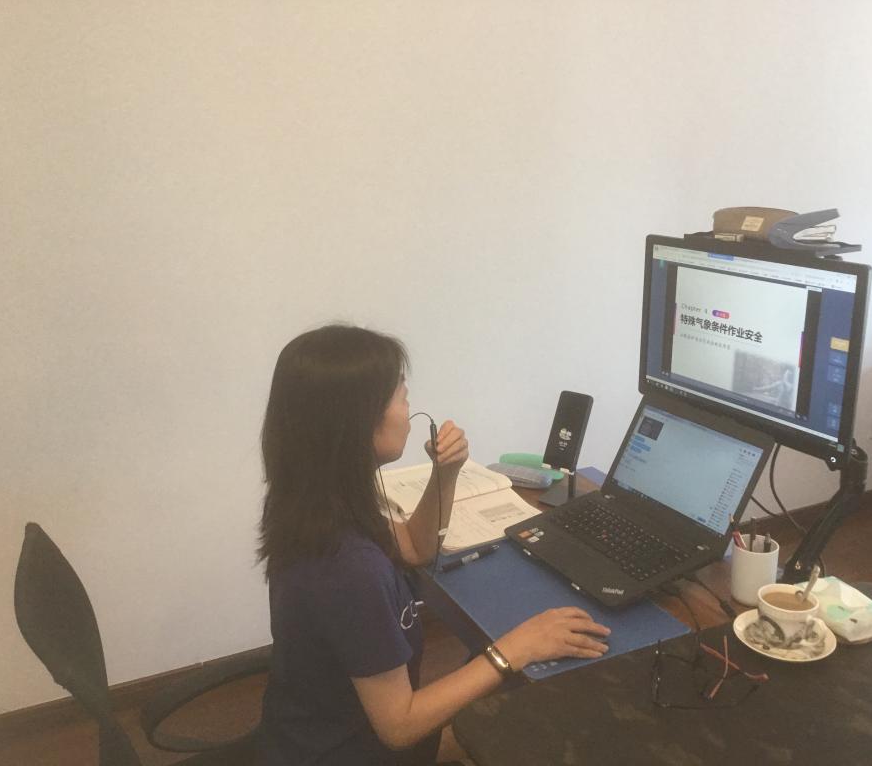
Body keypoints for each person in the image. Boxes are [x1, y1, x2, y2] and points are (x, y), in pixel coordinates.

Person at [256, 324, 610, 765]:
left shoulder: (316, 502)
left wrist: (446, 473)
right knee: (543, 711)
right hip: (353, 751)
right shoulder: (347, 567)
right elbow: (399, 727)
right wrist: (515, 649)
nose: (408, 408)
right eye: (400, 397)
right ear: (359, 423)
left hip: (318, 731)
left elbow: (414, 547)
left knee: (501, 669)